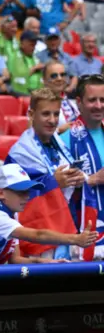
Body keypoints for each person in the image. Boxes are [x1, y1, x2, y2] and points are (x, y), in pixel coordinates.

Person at [6, 88, 83, 260]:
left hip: (65, 225)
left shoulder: (59, 144)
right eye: (46, 114)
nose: (52, 120)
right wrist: (53, 182)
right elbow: (11, 196)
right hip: (38, 234)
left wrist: (77, 180)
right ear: (32, 114)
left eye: (56, 114)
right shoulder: (20, 152)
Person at [60, 74, 104, 258]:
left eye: (103, 100)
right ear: (79, 102)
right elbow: (56, 187)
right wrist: (92, 179)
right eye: (92, 100)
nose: (99, 105)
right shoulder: (65, 139)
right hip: (82, 231)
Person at [36, 27, 78, 94]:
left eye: (55, 39)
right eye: (50, 39)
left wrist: (69, 88)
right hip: (46, 92)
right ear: (46, 41)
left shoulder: (66, 57)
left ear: (59, 40)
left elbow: (74, 76)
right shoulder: (38, 56)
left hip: (65, 91)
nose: (53, 42)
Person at [41, 60, 79, 127]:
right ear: (44, 80)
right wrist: (59, 130)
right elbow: (33, 134)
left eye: (62, 75)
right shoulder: (38, 105)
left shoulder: (73, 103)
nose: (59, 78)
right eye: (54, 76)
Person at [7, 30, 44, 95]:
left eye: (35, 45)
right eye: (31, 45)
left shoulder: (34, 57)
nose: (34, 48)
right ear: (22, 44)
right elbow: (18, 75)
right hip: (22, 92)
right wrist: (35, 68)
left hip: (38, 92)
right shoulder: (14, 56)